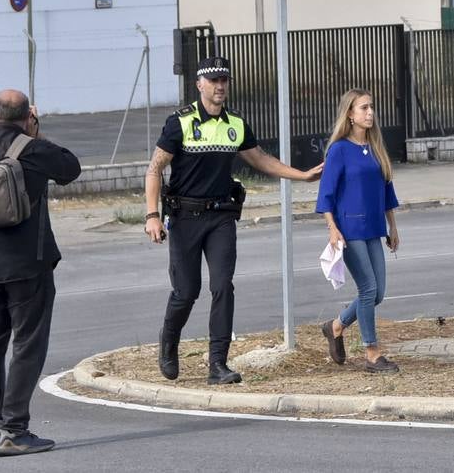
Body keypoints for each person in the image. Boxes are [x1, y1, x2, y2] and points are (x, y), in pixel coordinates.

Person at [144, 56, 322, 385]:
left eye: (224, 80)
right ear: (199, 85)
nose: (220, 86)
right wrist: (152, 215)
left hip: (221, 218)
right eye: (213, 80)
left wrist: (303, 176)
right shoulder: (179, 122)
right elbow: (155, 168)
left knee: (223, 286)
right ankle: (168, 342)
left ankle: (217, 364)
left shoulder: (235, 124)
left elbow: (261, 159)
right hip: (184, 218)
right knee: (186, 291)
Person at [0, 89, 81, 457]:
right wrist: (35, 135)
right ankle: (14, 431)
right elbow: (71, 168)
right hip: (27, 266)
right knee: (27, 345)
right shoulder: (34, 150)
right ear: (26, 117)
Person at [316, 88, 401, 373]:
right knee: (367, 289)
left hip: (374, 227)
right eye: (363, 108)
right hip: (349, 228)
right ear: (350, 114)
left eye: (371, 107)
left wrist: (393, 225)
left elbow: (386, 187)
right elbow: (326, 194)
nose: (370, 113)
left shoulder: (376, 147)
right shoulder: (339, 149)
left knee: (378, 293)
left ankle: (336, 326)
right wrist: (332, 228)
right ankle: (372, 353)